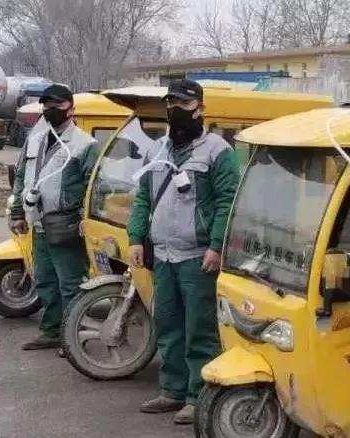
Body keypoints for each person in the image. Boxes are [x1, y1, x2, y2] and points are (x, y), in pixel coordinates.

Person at [127, 79, 239, 425]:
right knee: (168, 325)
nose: (175, 110)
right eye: (171, 103)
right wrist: (135, 237)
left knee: (199, 330)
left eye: (183, 104)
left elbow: (227, 202)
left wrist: (216, 246)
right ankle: (172, 390)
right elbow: (143, 196)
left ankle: (197, 396)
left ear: (200, 108)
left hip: (197, 257)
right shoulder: (156, 151)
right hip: (163, 256)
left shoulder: (218, 151)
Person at [10, 84, 97, 354]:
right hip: (38, 223)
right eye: (47, 105)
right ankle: (51, 331)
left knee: (70, 284)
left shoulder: (85, 145)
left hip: (65, 225)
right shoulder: (35, 139)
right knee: (45, 280)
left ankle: (71, 338)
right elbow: (22, 176)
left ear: (71, 108)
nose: (51, 110)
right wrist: (18, 212)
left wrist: (82, 219)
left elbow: (92, 186)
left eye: (57, 105)